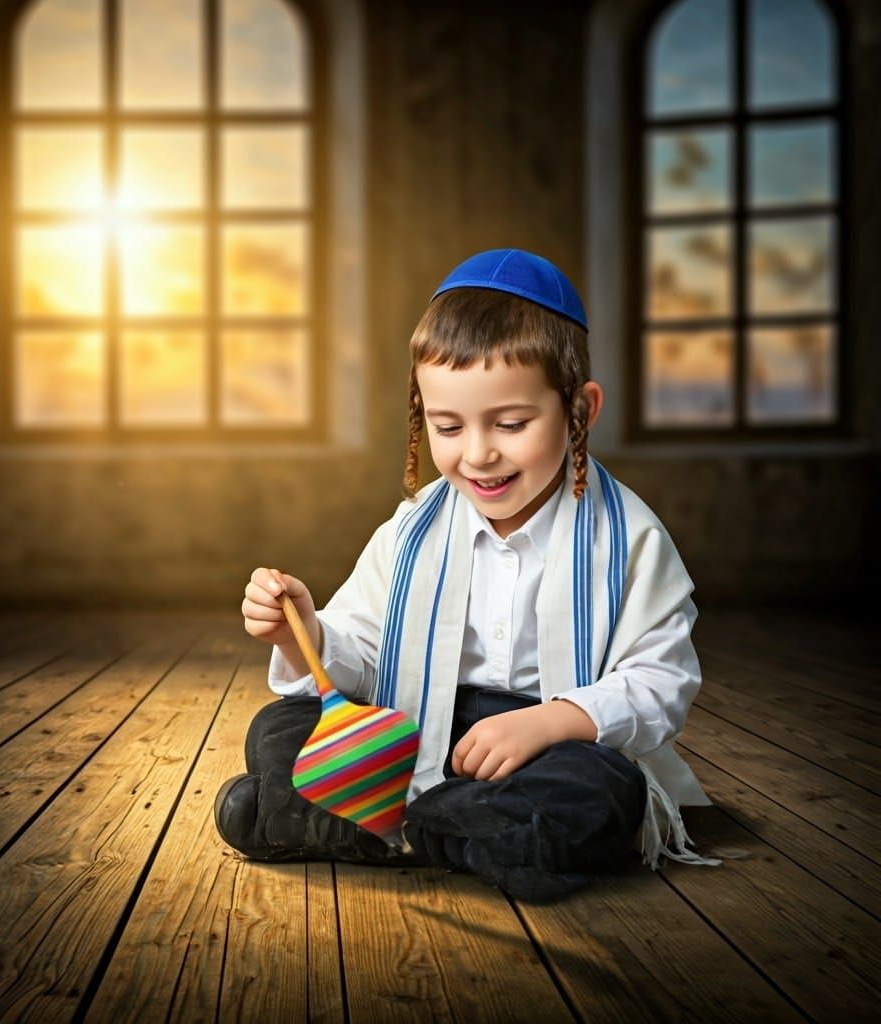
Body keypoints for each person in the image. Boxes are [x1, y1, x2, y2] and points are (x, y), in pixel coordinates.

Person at [216, 248, 719, 902]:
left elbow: (662, 683)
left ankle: (355, 825)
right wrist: (303, 631)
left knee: (601, 790)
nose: (478, 453)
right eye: (447, 426)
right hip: (425, 723)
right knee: (279, 731)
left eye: (511, 423)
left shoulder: (630, 538)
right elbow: (366, 654)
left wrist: (550, 722)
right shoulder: (413, 528)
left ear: (580, 410)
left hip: (550, 749)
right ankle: (460, 836)